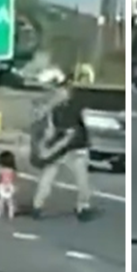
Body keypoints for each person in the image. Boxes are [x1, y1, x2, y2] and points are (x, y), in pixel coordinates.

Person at [30, 85, 94, 221]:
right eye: (57, 93)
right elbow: (50, 131)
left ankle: (82, 207)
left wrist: (49, 150)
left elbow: (71, 135)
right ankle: (37, 206)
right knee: (47, 178)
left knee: (82, 180)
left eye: (61, 93)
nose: (58, 96)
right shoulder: (54, 110)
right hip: (64, 149)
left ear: (68, 96)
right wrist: (46, 146)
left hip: (75, 148)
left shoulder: (74, 108)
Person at [0, 150, 18, 220]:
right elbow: (14, 178)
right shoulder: (12, 170)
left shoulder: (2, 170)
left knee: (1, 200)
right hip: (10, 185)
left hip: (3, 185)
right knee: (10, 200)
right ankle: (11, 213)